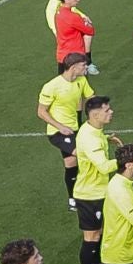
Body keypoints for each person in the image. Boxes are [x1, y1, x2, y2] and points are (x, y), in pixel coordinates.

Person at [71, 95, 119, 264]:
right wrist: (126, 158)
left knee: (99, 234)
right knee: (91, 238)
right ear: (95, 114)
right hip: (90, 195)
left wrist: (107, 139)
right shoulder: (90, 138)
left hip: (98, 192)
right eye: (107, 110)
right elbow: (103, 166)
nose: (111, 112)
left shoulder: (94, 130)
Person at [36, 54, 93, 208]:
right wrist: (60, 126)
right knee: (82, 153)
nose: (86, 67)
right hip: (57, 132)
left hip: (74, 129)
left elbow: (92, 99)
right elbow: (41, 112)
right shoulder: (51, 86)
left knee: (71, 163)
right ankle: (90, 192)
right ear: (73, 67)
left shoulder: (81, 81)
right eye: (84, 65)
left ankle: (72, 200)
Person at [53, 0, 98, 75]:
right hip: (75, 58)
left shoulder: (58, 13)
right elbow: (90, 31)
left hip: (62, 56)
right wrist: (86, 22)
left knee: (63, 86)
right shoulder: (73, 17)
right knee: (80, 87)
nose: (78, 0)